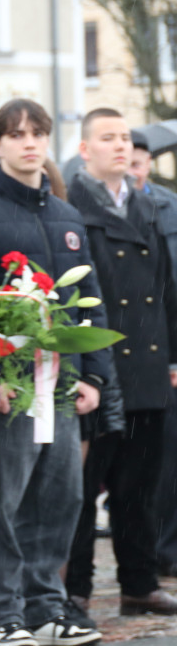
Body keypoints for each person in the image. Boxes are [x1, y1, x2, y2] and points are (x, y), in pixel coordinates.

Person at [0, 98, 109, 646]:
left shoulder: (65, 215)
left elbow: (89, 306)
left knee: (60, 496)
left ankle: (46, 605)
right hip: (9, 388)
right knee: (1, 500)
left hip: (60, 386)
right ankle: (2, 611)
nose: (29, 142)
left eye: (37, 132)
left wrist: (93, 377)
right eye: (15, 134)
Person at [65, 107, 177, 617]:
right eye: (107, 137)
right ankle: (77, 589)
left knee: (140, 487)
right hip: (100, 369)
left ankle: (138, 583)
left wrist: (172, 356)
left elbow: (166, 290)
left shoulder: (147, 205)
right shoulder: (71, 208)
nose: (120, 145)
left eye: (125, 137)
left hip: (150, 367)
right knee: (86, 491)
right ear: (85, 149)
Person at [129, 129, 177, 580]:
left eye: (141, 161)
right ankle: (160, 548)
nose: (135, 169)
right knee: (153, 461)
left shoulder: (166, 205)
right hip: (140, 349)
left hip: (167, 338)